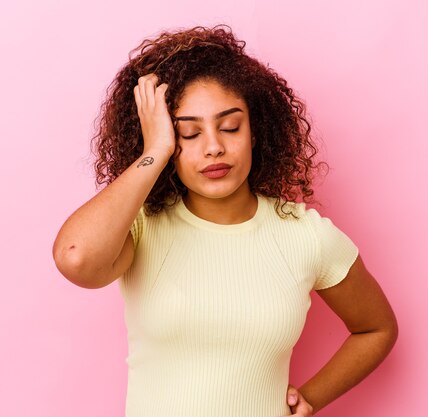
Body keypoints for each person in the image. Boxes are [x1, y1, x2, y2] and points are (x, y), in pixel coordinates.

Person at [52, 25, 398, 417]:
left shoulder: (306, 236)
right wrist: (156, 151)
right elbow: (77, 257)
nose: (214, 147)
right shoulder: (141, 226)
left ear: (255, 131)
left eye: (230, 127)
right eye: (188, 133)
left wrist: (312, 397)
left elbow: (377, 328)